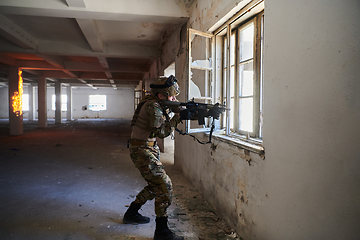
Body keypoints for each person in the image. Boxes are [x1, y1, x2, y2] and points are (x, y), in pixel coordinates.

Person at [123, 75, 192, 240]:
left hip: (147, 148)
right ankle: (162, 231)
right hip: (142, 150)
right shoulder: (153, 107)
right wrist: (178, 117)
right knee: (164, 184)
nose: (174, 98)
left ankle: (131, 213)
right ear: (161, 96)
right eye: (171, 96)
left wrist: (183, 112)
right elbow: (162, 132)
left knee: (155, 185)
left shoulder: (156, 103)